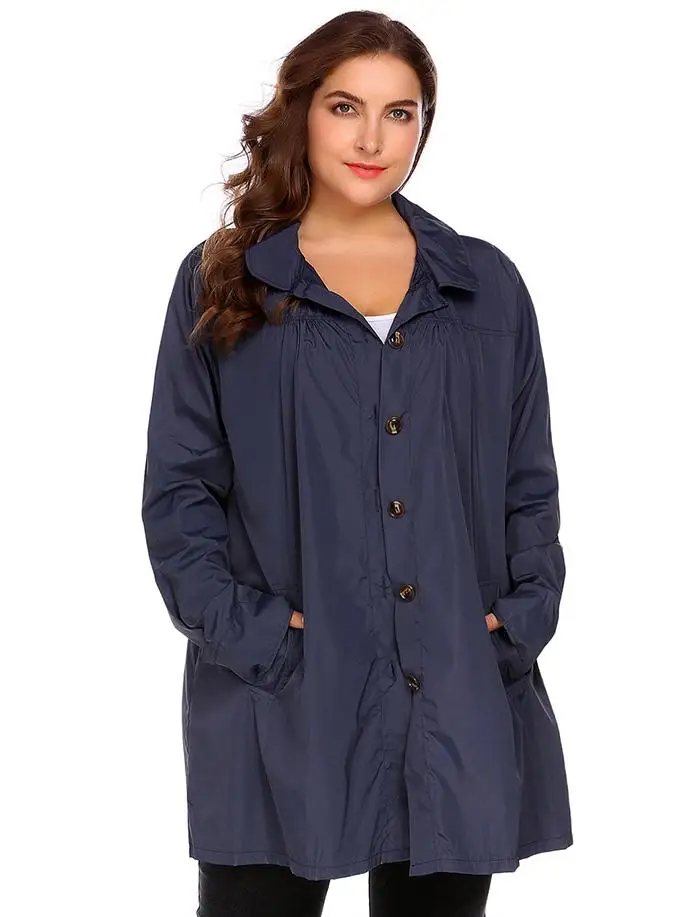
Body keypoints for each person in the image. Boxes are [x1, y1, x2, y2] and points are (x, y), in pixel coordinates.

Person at [141, 10, 573, 917]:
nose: (374, 139)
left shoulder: (485, 286)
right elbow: (180, 494)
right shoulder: (224, 280)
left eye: (400, 112)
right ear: (301, 111)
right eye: (346, 107)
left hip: (455, 687)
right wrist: (260, 636)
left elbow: (528, 480)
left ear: (424, 125)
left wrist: (518, 620)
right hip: (280, 696)